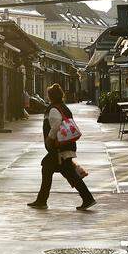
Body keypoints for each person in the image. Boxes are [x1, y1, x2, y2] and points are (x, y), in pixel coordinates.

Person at [27, 83, 96, 211]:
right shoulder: (64, 107)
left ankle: (43, 200)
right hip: (66, 146)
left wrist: (50, 139)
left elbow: (56, 125)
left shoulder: (53, 109)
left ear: (50, 96)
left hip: (59, 148)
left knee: (52, 168)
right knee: (57, 170)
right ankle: (42, 200)